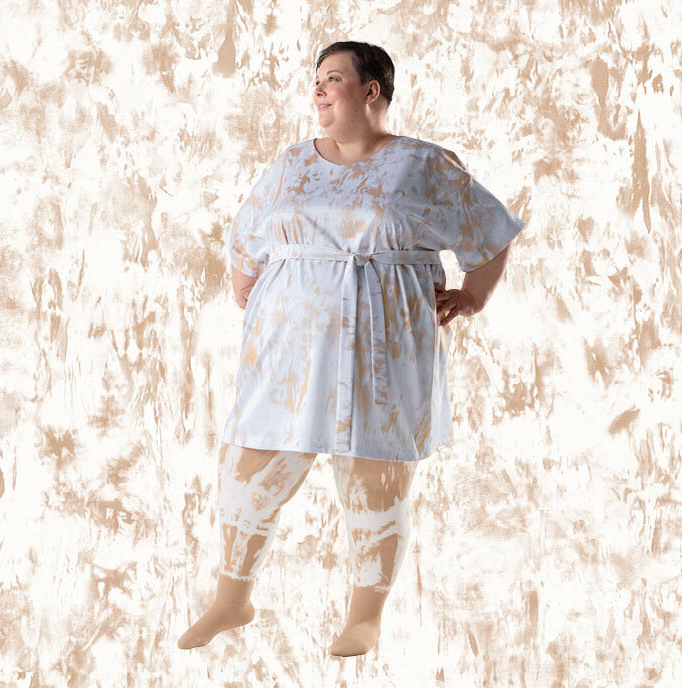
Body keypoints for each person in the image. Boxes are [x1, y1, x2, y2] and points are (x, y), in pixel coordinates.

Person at [177, 41, 525, 656]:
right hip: (287, 348)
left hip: (383, 345)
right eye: (316, 79)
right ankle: (232, 599)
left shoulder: (422, 164)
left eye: (332, 78)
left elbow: (491, 229)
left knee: (375, 478)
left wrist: (473, 295)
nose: (318, 89)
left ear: (371, 91)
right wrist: (250, 288)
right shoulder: (292, 162)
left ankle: (366, 615)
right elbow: (246, 233)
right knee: (249, 470)